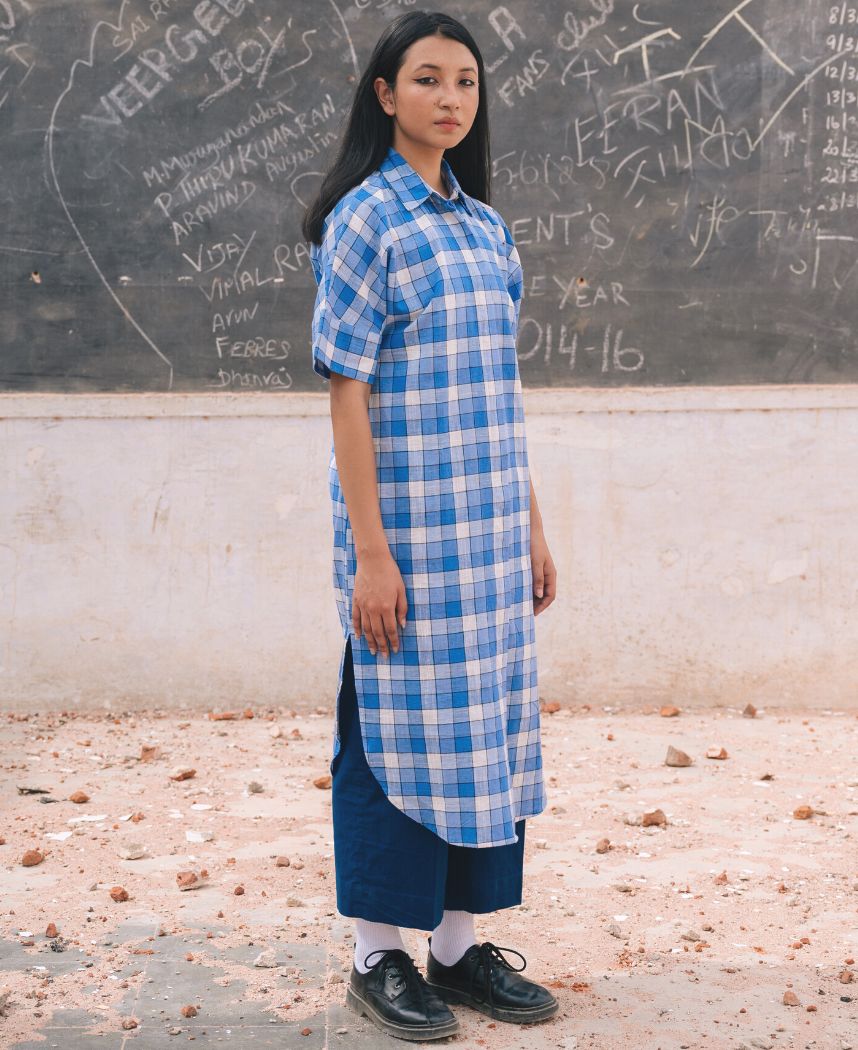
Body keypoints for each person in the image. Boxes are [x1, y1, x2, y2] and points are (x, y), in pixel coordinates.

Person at [302, 9, 558, 1041]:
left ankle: (455, 950)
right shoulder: (366, 220)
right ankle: (380, 953)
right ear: (385, 94)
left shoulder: (485, 229)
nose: (451, 98)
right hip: (406, 542)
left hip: (488, 542)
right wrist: (370, 554)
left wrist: (531, 526)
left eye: (466, 81)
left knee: (482, 734)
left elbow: (500, 391)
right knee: (391, 738)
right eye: (428, 78)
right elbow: (347, 391)